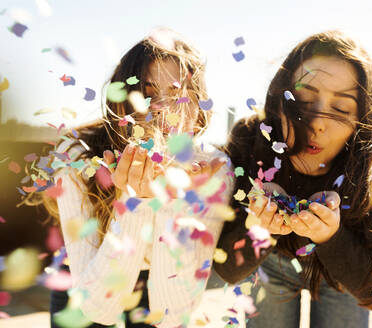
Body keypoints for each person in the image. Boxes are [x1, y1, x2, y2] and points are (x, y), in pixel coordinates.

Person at [37, 28, 233, 327]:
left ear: (201, 110)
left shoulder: (213, 168)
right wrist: (135, 202)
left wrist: (172, 203)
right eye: (149, 94)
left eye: (182, 97)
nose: (165, 112)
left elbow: (172, 316)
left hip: (162, 280)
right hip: (89, 274)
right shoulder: (77, 155)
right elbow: (97, 310)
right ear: (123, 102)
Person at [214, 30, 372, 328]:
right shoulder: (251, 138)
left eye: (341, 109)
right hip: (270, 261)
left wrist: (331, 235)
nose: (317, 124)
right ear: (279, 99)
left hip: (344, 266)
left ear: (361, 122)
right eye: (302, 100)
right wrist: (258, 228)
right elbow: (225, 269)